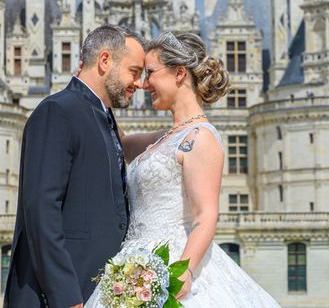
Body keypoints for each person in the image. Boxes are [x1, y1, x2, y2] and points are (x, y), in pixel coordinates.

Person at [86, 32, 281, 307]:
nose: (143, 83)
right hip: (135, 260)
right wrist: (98, 86)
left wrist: (183, 272)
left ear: (179, 74)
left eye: (150, 73)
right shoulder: (164, 138)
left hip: (172, 261)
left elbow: (205, 216)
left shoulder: (201, 138)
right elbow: (118, 142)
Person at [3, 25, 146, 308]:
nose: (139, 83)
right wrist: (66, 297)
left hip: (93, 291)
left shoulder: (102, 118)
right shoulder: (58, 111)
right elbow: (41, 210)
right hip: (60, 297)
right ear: (105, 61)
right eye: (135, 71)